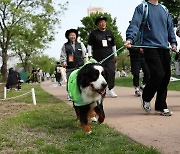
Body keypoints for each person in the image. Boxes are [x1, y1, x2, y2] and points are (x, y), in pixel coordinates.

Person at [125, 0, 177, 116]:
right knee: (158, 74)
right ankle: (146, 97)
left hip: (164, 47)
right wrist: (130, 39)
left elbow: (170, 27)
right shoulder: (142, 7)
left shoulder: (164, 9)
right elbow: (135, 24)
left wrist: (173, 42)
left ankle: (161, 105)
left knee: (166, 76)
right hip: (149, 46)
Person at [87, 16, 118, 98]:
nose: (103, 23)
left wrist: (115, 54)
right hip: (98, 58)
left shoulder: (110, 33)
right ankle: (101, 90)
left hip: (110, 57)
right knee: (101, 74)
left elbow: (113, 45)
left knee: (111, 72)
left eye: (104, 22)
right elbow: (89, 45)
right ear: (98, 24)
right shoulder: (94, 33)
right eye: (100, 22)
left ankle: (111, 89)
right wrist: (89, 55)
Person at [60, 28, 87, 100]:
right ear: (68, 37)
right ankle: (70, 94)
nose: (72, 37)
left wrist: (86, 62)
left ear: (76, 36)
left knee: (80, 80)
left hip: (80, 65)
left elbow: (84, 54)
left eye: (74, 35)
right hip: (70, 66)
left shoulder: (80, 44)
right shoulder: (65, 45)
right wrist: (64, 62)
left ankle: (80, 93)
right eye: (71, 35)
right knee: (70, 80)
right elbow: (63, 55)